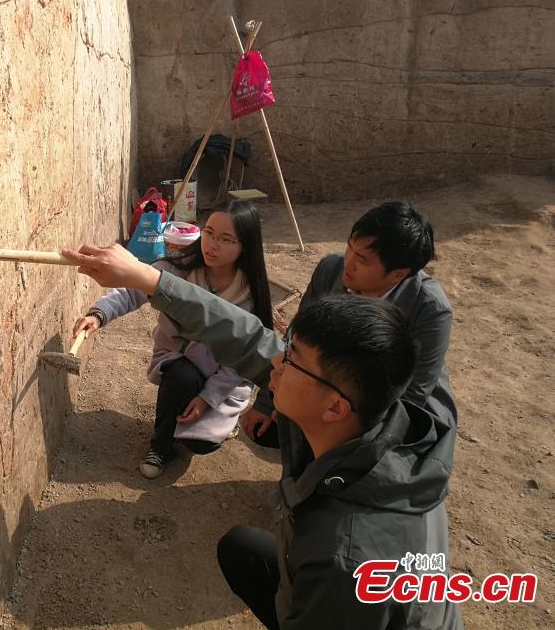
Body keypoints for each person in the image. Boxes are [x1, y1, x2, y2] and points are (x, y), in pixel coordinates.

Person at [61, 243, 462, 629]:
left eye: (292, 359)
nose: (275, 360)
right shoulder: (378, 415)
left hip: (345, 597)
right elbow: (247, 336)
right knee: (242, 549)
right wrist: (147, 278)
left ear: (335, 407)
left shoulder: (344, 556)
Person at [72, 200, 274, 479]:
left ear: (245, 247)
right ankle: (160, 446)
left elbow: (238, 365)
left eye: (226, 239)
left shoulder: (250, 296)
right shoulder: (179, 269)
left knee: (199, 444)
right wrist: (99, 314)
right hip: (178, 362)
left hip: (222, 379)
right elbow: (132, 290)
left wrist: (206, 399)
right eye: (209, 233)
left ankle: (215, 423)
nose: (212, 245)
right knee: (181, 375)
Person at [242, 200, 453, 447]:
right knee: (276, 430)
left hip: (378, 404)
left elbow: (413, 393)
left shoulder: (429, 309)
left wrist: (341, 427)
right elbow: (297, 338)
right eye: (350, 247)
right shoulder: (330, 270)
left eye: (362, 260)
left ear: (398, 274)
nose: (348, 262)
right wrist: (268, 402)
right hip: (331, 382)